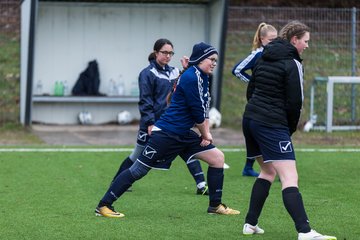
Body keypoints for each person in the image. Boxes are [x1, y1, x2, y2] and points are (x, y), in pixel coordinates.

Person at [95, 42, 240, 218]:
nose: (214, 63)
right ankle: (104, 205)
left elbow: (204, 108)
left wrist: (206, 134)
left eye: (216, 60)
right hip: (166, 134)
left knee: (217, 158)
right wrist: (205, 133)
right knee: (138, 170)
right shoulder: (192, 77)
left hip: (183, 133)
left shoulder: (202, 76)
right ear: (201, 59)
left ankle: (215, 206)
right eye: (212, 59)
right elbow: (197, 112)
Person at [241, 21, 337, 240]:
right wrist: (288, 129)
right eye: (306, 41)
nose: (307, 46)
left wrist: (257, 111)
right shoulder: (293, 62)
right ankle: (305, 232)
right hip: (271, 124)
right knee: (290, 177)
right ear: (295, 40)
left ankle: (250, 224)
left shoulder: (264, 54)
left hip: (250, 119)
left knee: (267, 172)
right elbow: (296, 103)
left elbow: (251, 89)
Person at [108, 38, 209, 195]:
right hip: (153, 124)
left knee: (188, 150)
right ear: (156, 53)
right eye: (164, 52)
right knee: (137, 155)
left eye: (170, 53)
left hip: (173, 124)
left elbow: (187, 86)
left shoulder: (176, 71)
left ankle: (202, 184)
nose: (168, 56)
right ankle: (117, 182)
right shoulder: (147, 73)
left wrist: (187, 68)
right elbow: (145, 100)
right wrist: (149, 122)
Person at [232, 22, 277, 177]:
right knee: (258, 131)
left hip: (270, 99)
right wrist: (254, 82)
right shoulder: (257, 54)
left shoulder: (276, 53)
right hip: (257, 99)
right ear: (262, 39)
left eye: (276, 39)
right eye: (271, 39)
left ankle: (253, 166)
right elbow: (237, 70)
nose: (274, 42)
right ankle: (253, 167)